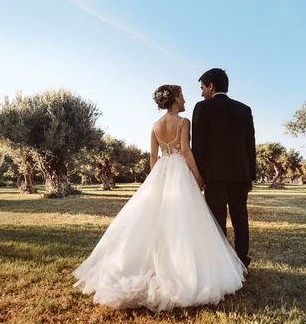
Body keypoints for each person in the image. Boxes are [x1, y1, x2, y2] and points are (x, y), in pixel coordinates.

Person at [73, 84, 245, 312]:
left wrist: (157, 180)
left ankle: (151, 263)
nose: (184, 100)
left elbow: (153, 158)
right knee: (183, 221)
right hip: (180, 172)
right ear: (175, 99)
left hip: (162, 171)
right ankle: (182, 269)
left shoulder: (155, 126)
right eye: (182, 96)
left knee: (155, 220)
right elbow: (185, 150)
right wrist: (198, 176)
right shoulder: (184, 123)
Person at [192, 68, 256, 268]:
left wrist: (199, 176)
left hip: (214, 176)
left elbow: (199, 146)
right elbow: (250, 145)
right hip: (241, 175)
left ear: (211, 86)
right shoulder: (244, 109)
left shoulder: (202, 108)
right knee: (240, 218)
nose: (202, 92)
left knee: (217, 221)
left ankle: (222, 265)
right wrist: (251, 175)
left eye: (202, 87)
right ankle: (242, 261)